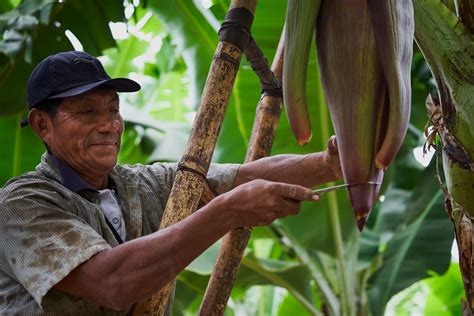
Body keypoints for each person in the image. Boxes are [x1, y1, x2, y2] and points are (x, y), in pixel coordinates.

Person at [0, 51, 342, 314]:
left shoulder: (139, 183)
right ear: (43, 125)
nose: (109, 125)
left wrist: (329, 164)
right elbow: (112, 282)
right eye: (88, 112)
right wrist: (227, 211)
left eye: (113, 110)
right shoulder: (22, 205)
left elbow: (244, 176)